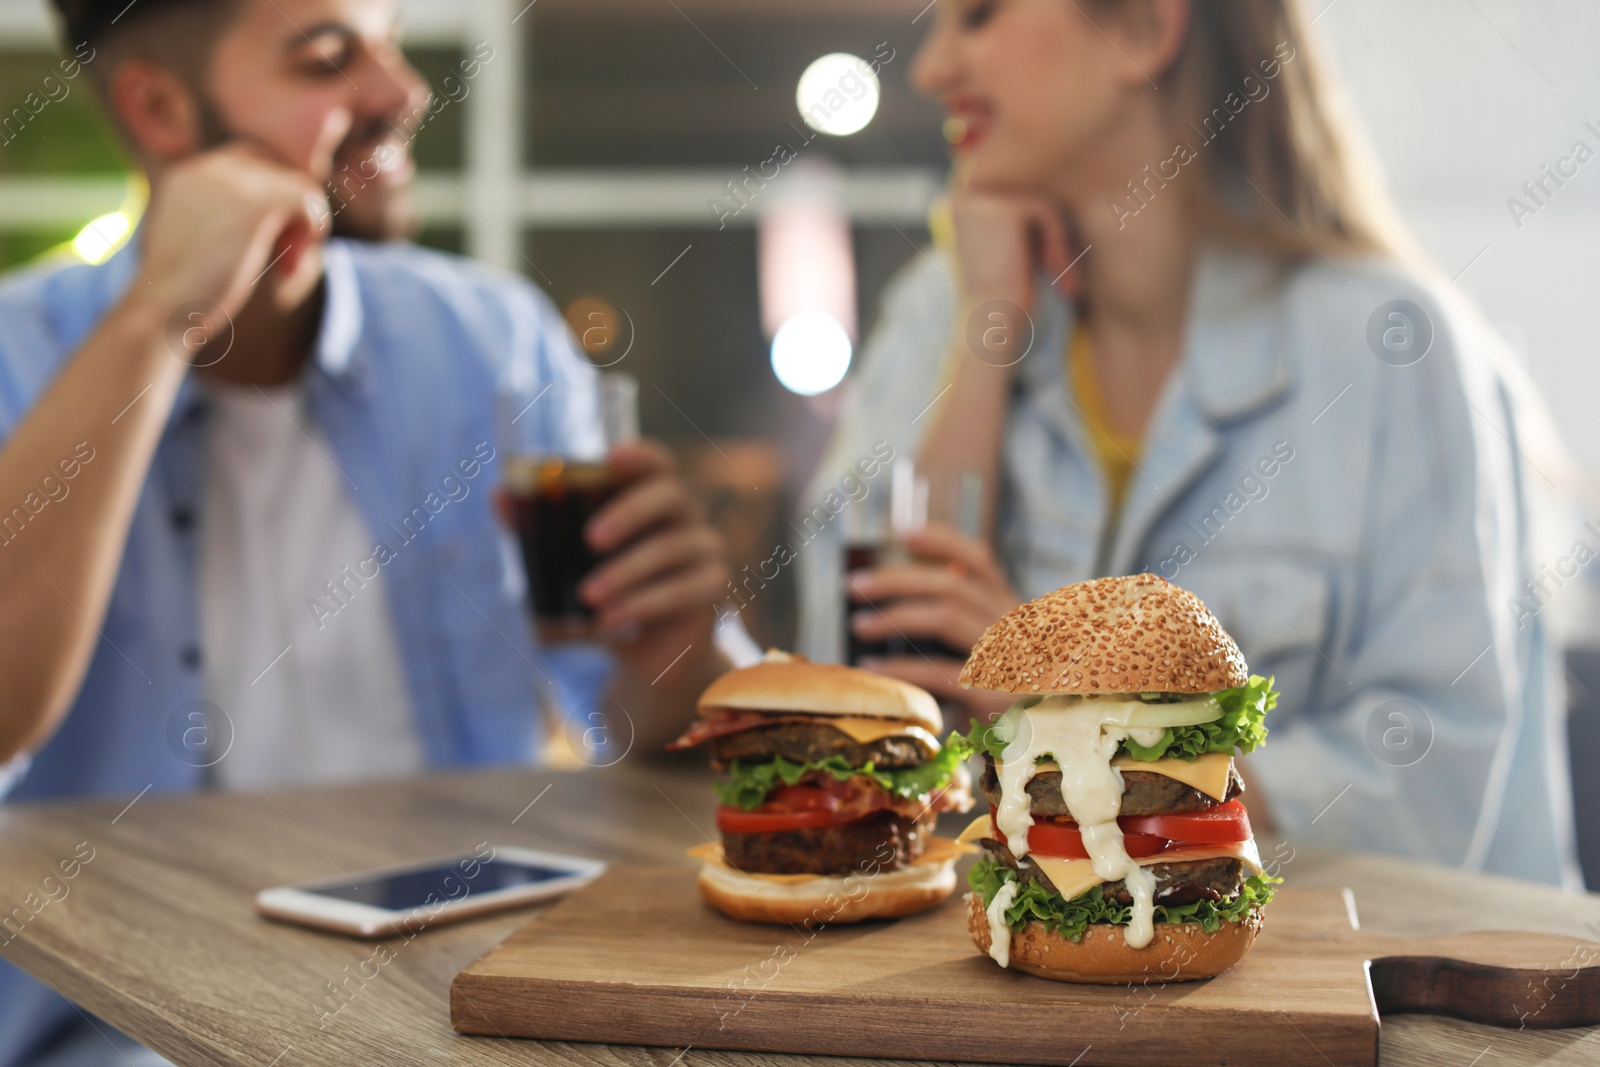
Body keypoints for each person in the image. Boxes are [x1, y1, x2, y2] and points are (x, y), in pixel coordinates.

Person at [0, 0, 739, 1062]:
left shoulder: (490, 341)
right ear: (159, 108)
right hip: (117, 1027)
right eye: (326, 57)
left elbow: (639, 732)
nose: (402, 94)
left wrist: (677, 642)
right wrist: (161, 314)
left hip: (464, 982)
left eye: (387, 46)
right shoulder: (18, 358)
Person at [797, 0, 1581, 890]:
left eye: (979, 15)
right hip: (1023, 985)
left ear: (1139, 29)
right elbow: (866, 700)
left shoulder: (1389, 342)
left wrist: (1078, 722)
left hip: (1385, 1001)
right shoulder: (949, 304)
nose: (930, 68)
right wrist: (987, 332)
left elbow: (1426, 798)